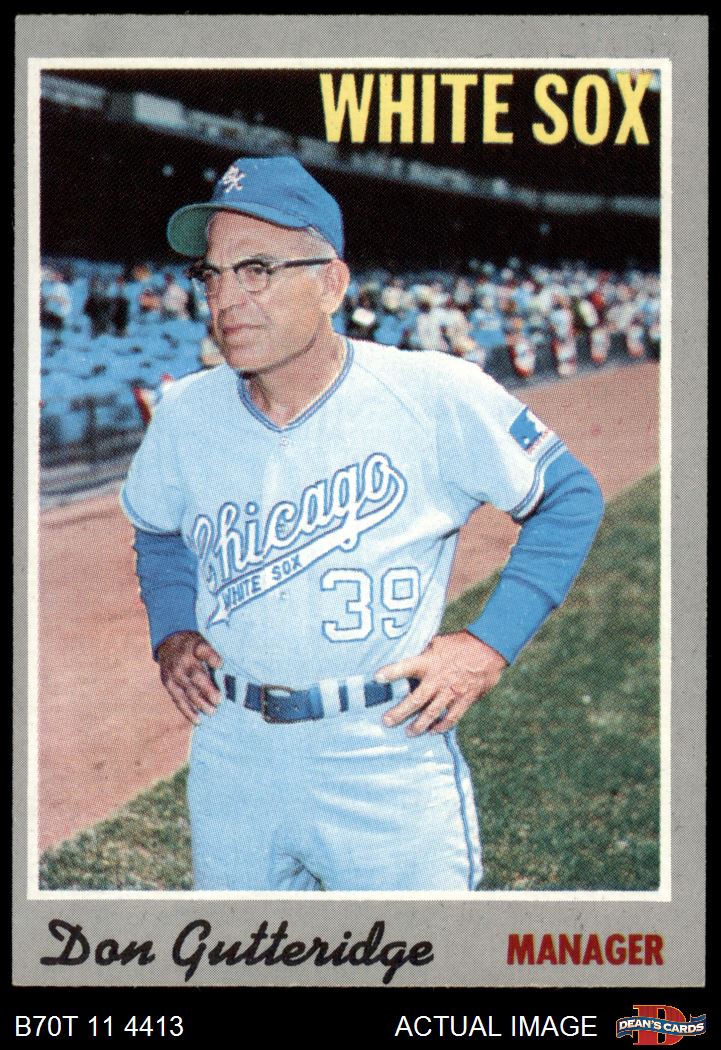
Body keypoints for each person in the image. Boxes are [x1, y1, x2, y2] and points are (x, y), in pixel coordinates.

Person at [120, 156, 604, 892]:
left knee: (418, 957)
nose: (226, 299)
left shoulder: (430, 391)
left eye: (257, 270)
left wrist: (487, 645)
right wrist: (173, 627)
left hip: (381, 747)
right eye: (211, 275)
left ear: (331, 284)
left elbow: (568, 496)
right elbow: (157, 530)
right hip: (232, 749)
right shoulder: (186, 411)